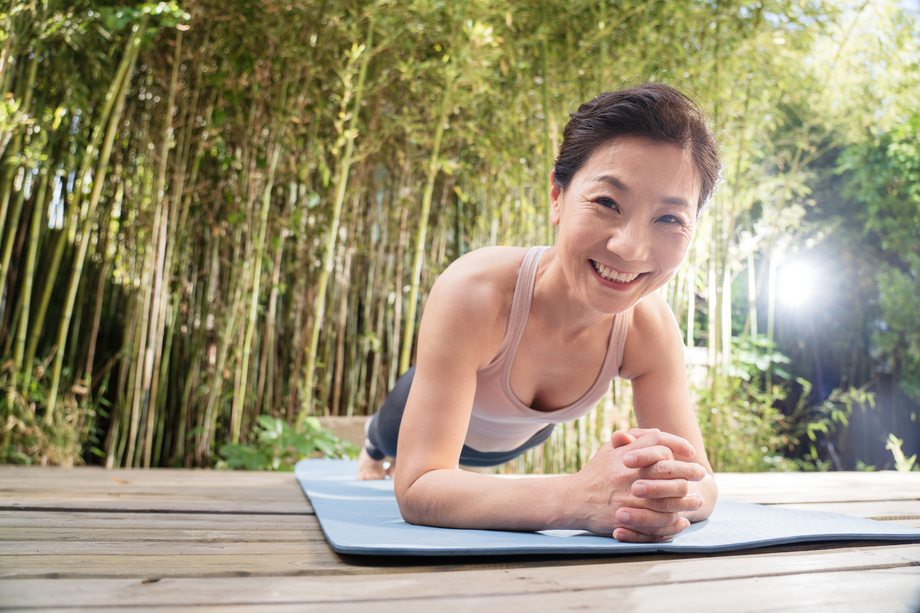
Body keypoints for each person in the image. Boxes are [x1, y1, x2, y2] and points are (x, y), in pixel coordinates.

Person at [357, 83, 721, 543]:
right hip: (415, 412)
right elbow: (417, 487)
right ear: (557, 196)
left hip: (528, 434)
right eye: (607, 203)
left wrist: (662, 493)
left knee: (531, 434)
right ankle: (371, 441)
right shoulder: (475, 292)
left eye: (670, 219)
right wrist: (578, 498)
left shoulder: (650, 328)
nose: (630, 247)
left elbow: (702, 482)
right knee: (386, 435)